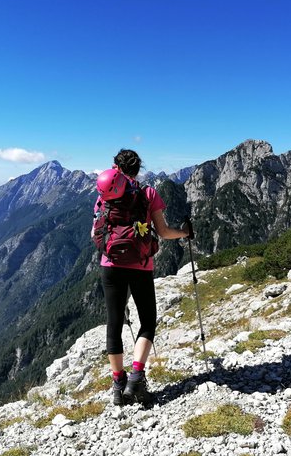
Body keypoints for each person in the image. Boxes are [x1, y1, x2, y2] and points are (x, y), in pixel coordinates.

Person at [94, 149, 189, 405]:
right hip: (140, 265)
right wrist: (184, 233)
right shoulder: (148, 194)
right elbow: (164, 232)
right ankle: (136, 377)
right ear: (138, 169)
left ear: (115, 167)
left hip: (110, 265)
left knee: (114, 324)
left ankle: (118, 384)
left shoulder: (104, 194)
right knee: (147, 321)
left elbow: (98, 231)